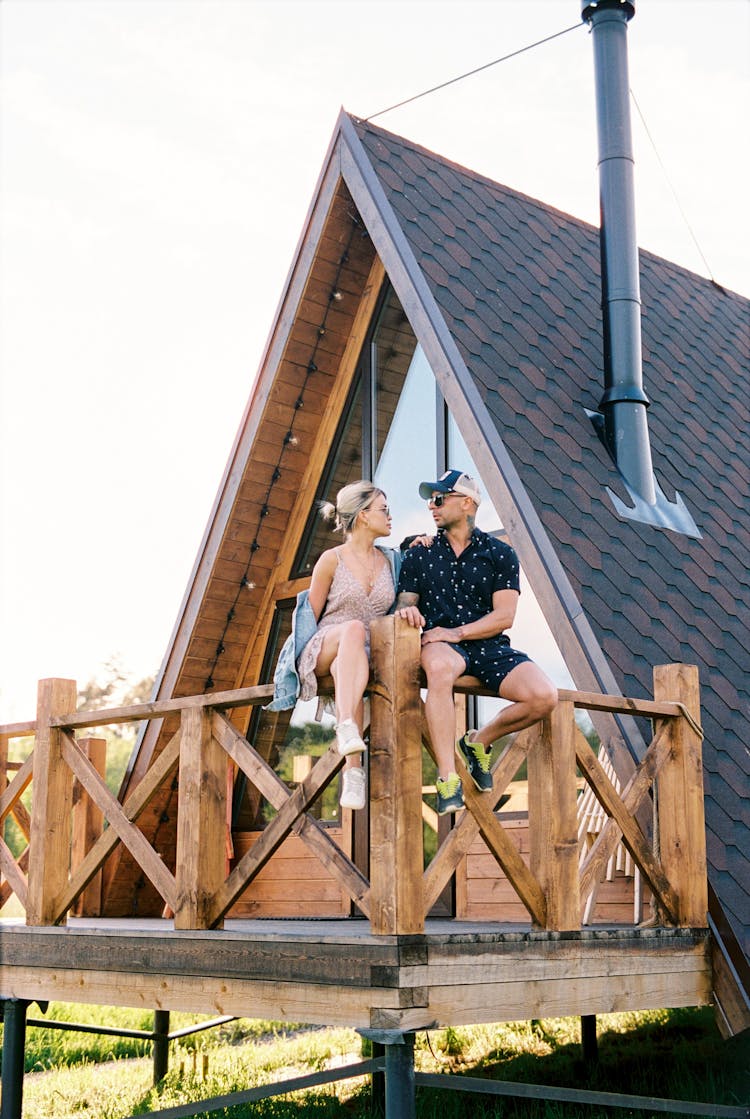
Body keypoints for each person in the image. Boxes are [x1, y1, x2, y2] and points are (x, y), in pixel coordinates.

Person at [395, 469, 558, 815]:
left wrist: (458, 632)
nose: (431, 506)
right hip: (440, 645)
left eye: (439, 499)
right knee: (439, 668)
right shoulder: (418, 553)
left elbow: (504, 616)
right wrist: (408, 613)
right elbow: (405, 602)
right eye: (429, 500)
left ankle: (479, 741)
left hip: (488, 645)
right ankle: (447, 777)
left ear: (467, 503)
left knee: (545, 697)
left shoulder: (501, 554)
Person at [268, 481, 400, 810]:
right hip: (324, 644)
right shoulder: (332, 559)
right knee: (352, 631)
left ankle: (353, 774)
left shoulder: (392, 562)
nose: (389, 516)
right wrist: (290, 669)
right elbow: (307, 617)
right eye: (383, 509)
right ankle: (345, 725)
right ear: (363, 516)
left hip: (359, 656)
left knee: (348, 667)